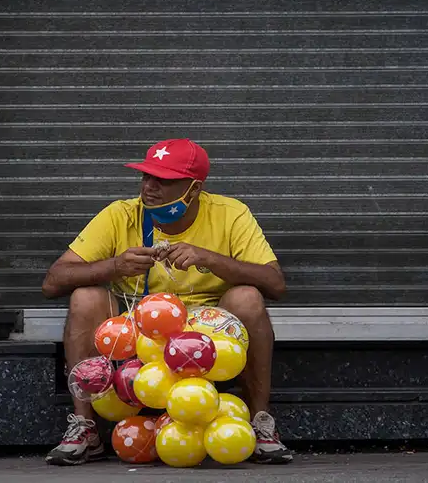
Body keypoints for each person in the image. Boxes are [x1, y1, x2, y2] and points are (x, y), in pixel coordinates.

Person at [41, 138, 293, 466]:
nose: (150, 186)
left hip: (207, 330)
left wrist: (210, 259)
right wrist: (116, 265)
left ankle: (260, 424)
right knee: (85, 297)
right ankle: (85, 429)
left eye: (164, 180)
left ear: (194, 188)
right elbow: (52, 282)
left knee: (248, 298)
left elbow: (276, 284)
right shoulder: (121, 214)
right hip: (140, 329)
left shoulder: (231, 214)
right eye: (146, 176)